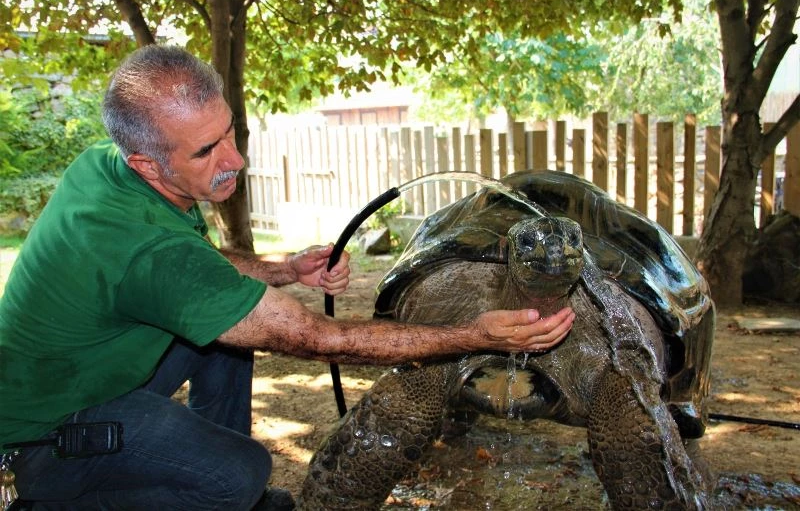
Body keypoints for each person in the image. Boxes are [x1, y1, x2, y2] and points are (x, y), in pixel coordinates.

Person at [0, 45, 574, 510]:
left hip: (86, 368)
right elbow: (317, 339)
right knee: (241, 474)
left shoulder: (108, 167)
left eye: (229, 132)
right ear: (146, 163)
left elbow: (197, 265)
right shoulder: (143, 245)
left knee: (222, 340)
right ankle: (59, 501)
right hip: (50, 428)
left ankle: (213, 483)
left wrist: (283, 270)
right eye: (207, 150)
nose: (235, 159)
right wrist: (475, 336)